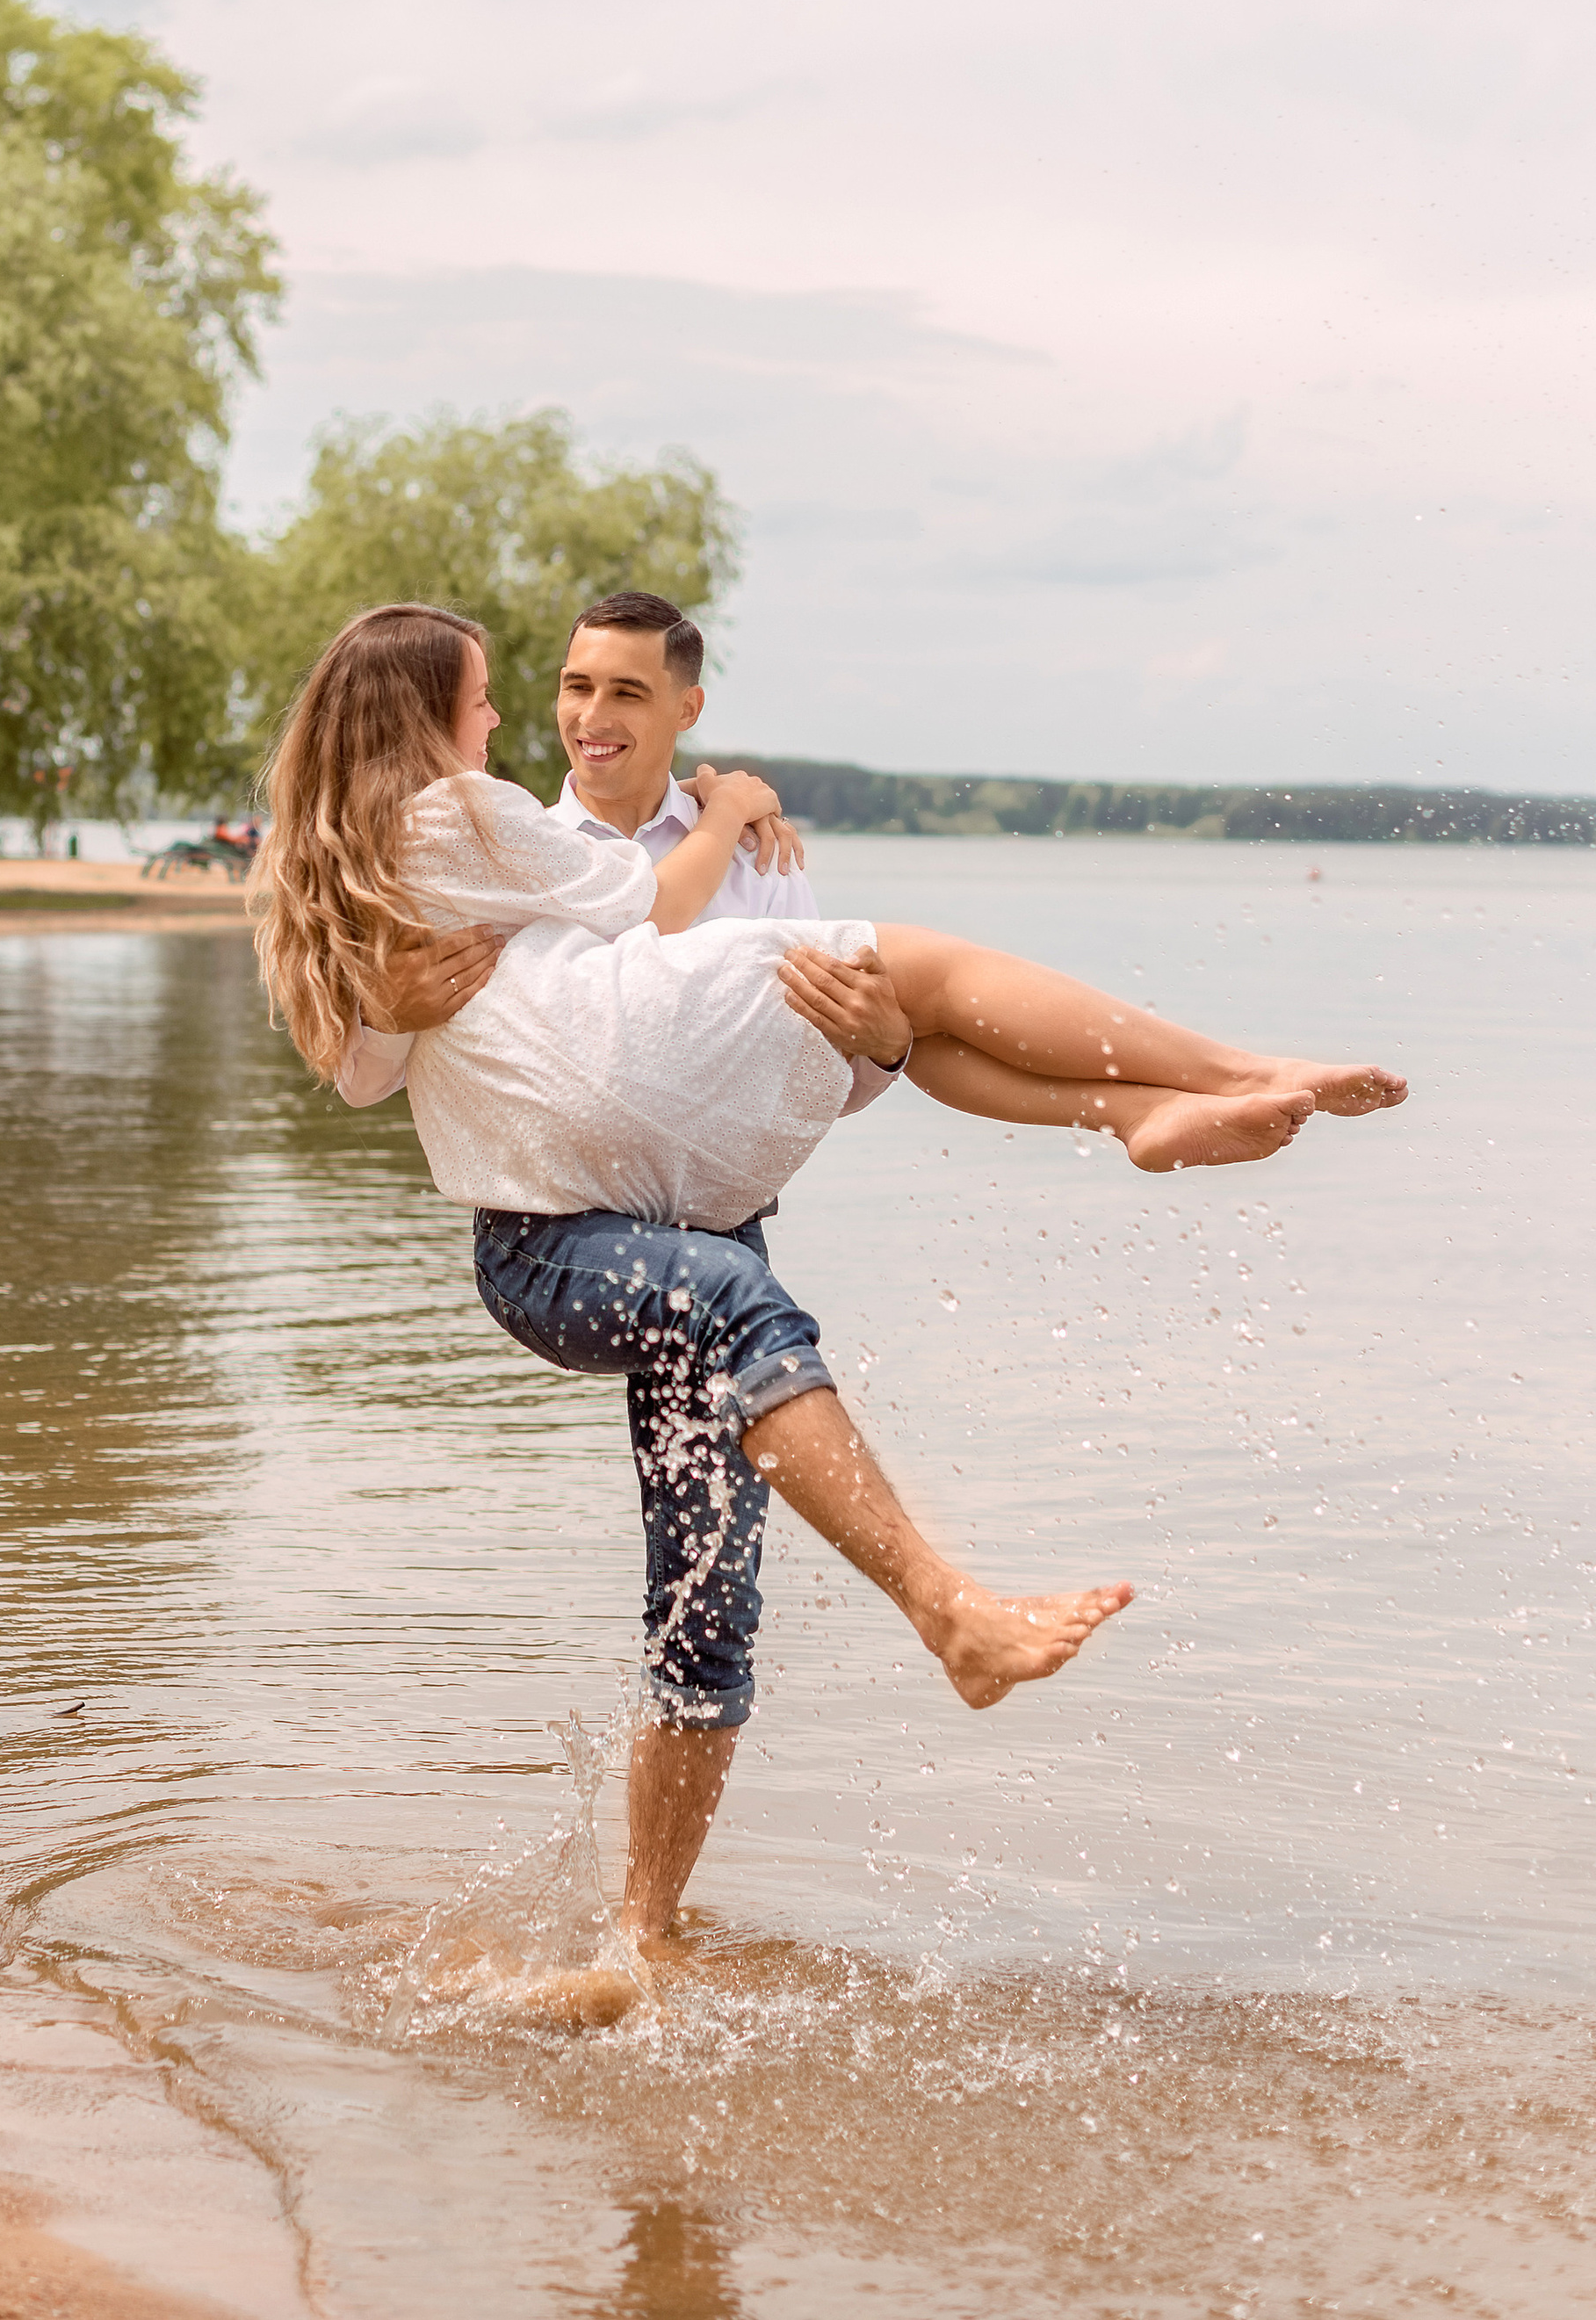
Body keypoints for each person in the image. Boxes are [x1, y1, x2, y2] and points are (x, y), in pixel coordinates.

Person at [252, 599, 1405, 2003]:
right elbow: (385, 1051)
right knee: (753, 1279)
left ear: (685, 707)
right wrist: (405, 979)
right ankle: (954, 1593)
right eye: (539, 689)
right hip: (584, 1240)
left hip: (686, 1222)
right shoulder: (497, 826)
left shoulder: (667, 864)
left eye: (617, 688)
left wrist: (870, 1025)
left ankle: (646, 1935)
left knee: (707, 1596)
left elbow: (881, 1057)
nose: (552, 715)